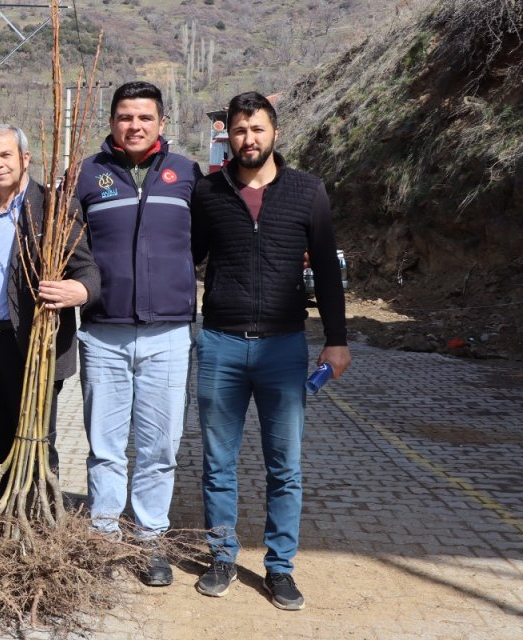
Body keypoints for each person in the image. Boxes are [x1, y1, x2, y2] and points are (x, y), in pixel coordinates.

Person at [190, 91, 350, 610]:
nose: (248, 139)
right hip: (220, 344)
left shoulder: (308, 191)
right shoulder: (208, 192)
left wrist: (337, 339)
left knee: (286, 466)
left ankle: (279, 567)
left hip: (284, 347)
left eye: (256, 129)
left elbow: (326, 269)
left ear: (274, 132)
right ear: (227, 136)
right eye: (238, 130)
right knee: (218, 462)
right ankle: (221, 556)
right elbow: (185, 258)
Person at [71, 81, 203, 586]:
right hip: (103, 333)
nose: (135, 125)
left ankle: (151, 540)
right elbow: (67, 244)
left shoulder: (188, 174)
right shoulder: (87, 174)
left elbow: (206, 240)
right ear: (111, 122)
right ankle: (103, 540)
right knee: (105, 446)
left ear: (161, 123)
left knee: (159, 446)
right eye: (125, 116)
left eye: (144, 117)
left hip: (168, 333)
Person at [0, 124, 99, 489]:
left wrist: (79, 292)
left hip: (34, 346)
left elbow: (87, 269)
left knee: (35, 443)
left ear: (25, 158)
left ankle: (37, 521)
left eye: (5, 155)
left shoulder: (52, 207)